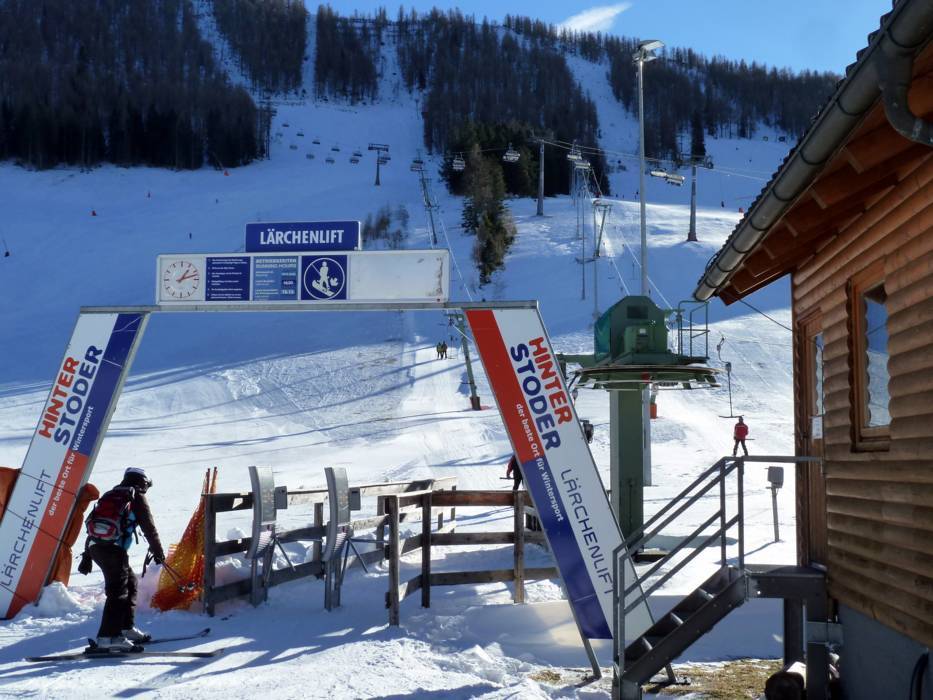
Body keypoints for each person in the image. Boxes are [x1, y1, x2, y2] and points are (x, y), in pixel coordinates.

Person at [86, 467, 165, 650]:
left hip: (97, 548)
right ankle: (108, 638)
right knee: (118, 592)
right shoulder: (135, 497)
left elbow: (94, 525)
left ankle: (125, 628)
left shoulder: (111, 494)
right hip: (113, 550)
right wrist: (158, 552)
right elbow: (149, 528)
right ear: (143, 482)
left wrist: (87, 555)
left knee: (130, 583)